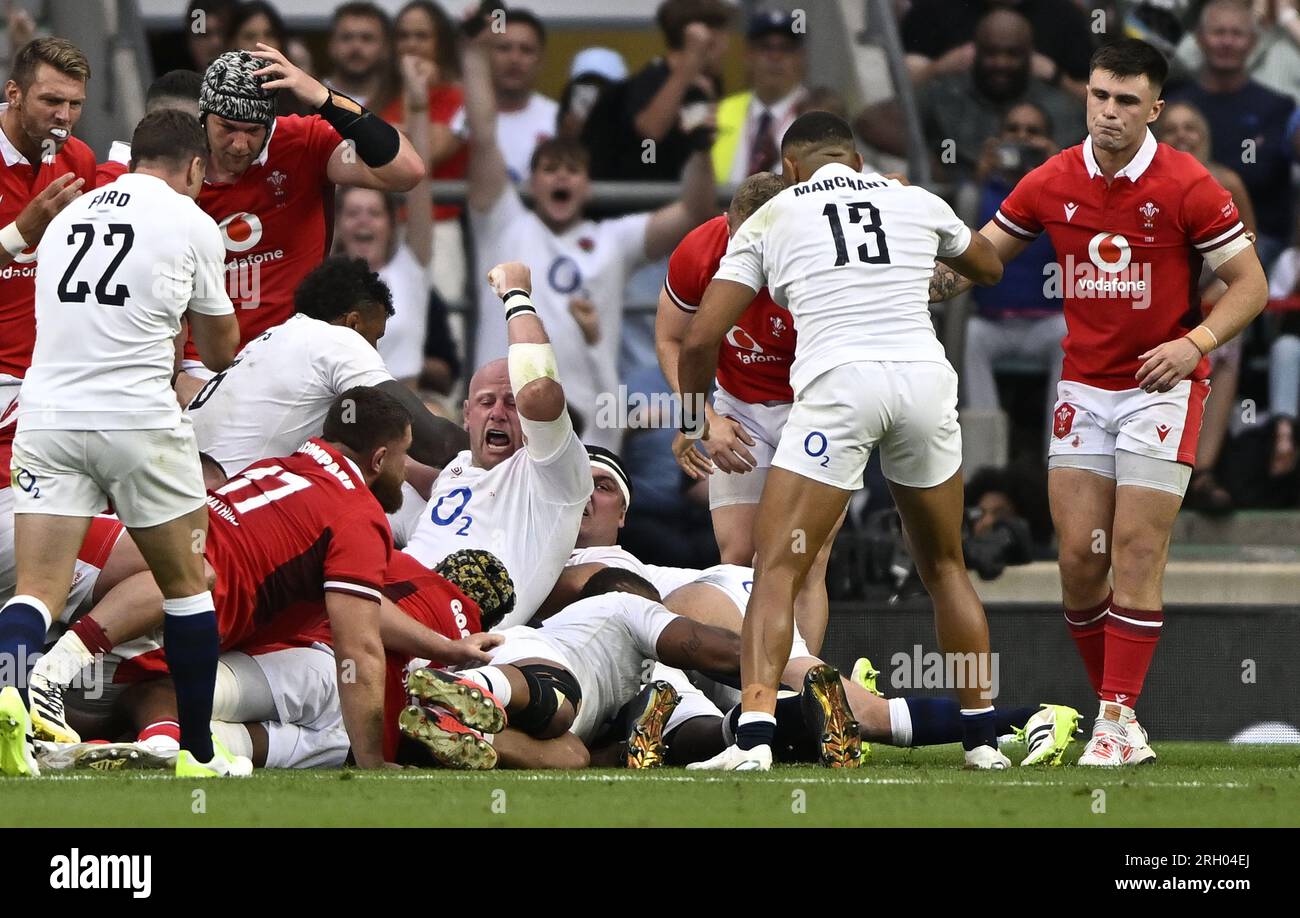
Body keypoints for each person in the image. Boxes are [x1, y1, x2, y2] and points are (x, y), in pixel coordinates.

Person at [930, 39, 1269, 765]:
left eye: (1125, 101)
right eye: (1098, 96)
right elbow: (984, 257)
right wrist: (921, 279)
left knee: (1137, 550)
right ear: (1084, 95)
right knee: (1081, 564)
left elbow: (1251, 284)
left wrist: (1194, 344)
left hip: (1163, 385)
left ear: (1155, 108)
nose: (1109, 112)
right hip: (1083, 388)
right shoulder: (1052, 179)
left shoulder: (1188, 184)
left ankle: (1114, 719)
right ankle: (1124, 719)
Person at [679, 111, 1007, 771]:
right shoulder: (912, 198)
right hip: (922, 381)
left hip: (838, 386)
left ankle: (754, 740)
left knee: (776, 565)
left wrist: (692, 418)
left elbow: (699, 336)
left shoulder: (775, 214)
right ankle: (983, 740)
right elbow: (988, 267)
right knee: (946, 566)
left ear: (790, 168)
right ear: (856, 162)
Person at [0, 110, 241, 778]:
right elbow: (220, 351)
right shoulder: (192, 222)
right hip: (137, 420)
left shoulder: (65, 220)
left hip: (46, 416)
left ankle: (11, 701)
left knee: (36, 590)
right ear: (193, 167)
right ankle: (195, 753)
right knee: (187, 585)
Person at [461, 23, 716, 449]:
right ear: (533, 182)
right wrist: (473, 54)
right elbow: (484, 137)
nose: (561, 177)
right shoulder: (504, 224)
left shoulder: (612, 240)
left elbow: (693, 209)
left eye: (572, 170)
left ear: (587, 185)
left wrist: (701, 150)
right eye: (549, 169)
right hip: (507, 412)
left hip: (592, 422)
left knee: (589, 517)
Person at [175, 45, 424, 402]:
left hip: (292, 358)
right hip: (202, 368)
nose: (240, 144)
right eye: (226, 128)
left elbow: (407, 171)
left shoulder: (304, 142)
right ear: (203, 117)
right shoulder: (176, 162)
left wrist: (324, 98)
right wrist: (175, 376)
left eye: (253, 130)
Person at [659, 172, 841, 655]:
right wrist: (701, 417)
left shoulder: (830, 258)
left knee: (805, 557)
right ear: (728, 224)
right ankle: (744, 689)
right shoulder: (700, 251)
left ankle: (800, 693)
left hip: (818, 403)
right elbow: (672, 338)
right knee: (739, 558)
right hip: (740, 404)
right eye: (744, 243)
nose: (753, 259)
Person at [400, 262, 592, 628]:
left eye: (512, 403)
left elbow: (536, 388)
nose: (500, 413)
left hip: (448, 634)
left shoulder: (553, 473)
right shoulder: (456, 470)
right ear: (467, 415)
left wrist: (515, 293)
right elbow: (426, 477)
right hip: (385, 605)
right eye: (487, 402)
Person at [187, 255, 465, 478]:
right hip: (221, 506)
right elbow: (435, 443)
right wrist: (505, 458)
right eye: (376, 337)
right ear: (353, 323)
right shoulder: (338, 339)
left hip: (175, 489)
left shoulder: (268, 341)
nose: (375, 351)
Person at [1155, 99, 1260, 512]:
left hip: (1211, 297)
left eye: (1191, 127)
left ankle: (1202, 471)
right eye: (1172, 128)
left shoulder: (1227, 181)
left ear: (1206, 136)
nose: (1182, 135)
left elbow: (1248, 254)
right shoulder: (1142, 184)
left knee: (1227, 340)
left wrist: (1212, 296)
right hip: (1154, 299)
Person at [856, 8, 1083, 181]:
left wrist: (1061, 164)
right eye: (991, 52)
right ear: (976, 52)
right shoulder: (946, 94)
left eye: (1012, 54)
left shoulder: (1060, 106)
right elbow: (869, 122)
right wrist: (934, 164)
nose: (1001, 63)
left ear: (1029, 55)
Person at [0, 38, 97, 418]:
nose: (65, 116)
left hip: (53, 375)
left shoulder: (79, 160)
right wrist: (20, 233)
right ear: (15, 94)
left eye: (75, 104)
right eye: (52, 101)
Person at [1167, 0, 1297, 268]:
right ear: (1200, 39)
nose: (1226, 42)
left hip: (1265, 242)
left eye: (1236, 34)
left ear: (1252, 42)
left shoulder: (1278, 107)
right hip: (1184, 236)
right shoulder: (1174, 109)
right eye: (1218, 32)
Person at [963, 101, 1065, 427]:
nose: (1021, 138)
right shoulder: (977, 192)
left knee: (1071, 336)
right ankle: (985, 454)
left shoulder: (1063, 192)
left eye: (1033, 133)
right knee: (966, 335)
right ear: (998, 138)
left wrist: (1059, 171)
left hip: (1048, 324)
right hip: (991, 324)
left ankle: (1059, 448)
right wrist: (979, 179)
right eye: (1013, 130)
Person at [584, 0, 731, 183]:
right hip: (630, 199)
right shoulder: (650, 79)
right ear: (706, 39)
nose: (727, 48)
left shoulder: (707, 85)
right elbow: (650, 132)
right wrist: (691, 62)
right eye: (724, 37)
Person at [900, 0, 1094, 101]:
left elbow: (1098, 98)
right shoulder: (934, 9)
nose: (1001, 63)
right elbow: (899, 87)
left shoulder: (1064, 16)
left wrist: (1056, 77)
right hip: (951, 141)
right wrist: (939, 67)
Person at [711, 9, 809, 184]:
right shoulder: (719, 111)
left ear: (800, 58)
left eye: (785, 48)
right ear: (748, 56)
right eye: (765, 47)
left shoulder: (816, 112)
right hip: (723, 209)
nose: (775, 57)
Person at [96, 70, 204, 188]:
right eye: (163, 124)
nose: (173, 135)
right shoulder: (101, 185)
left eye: (188, 128)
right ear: (145, 123)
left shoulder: (213, 187)